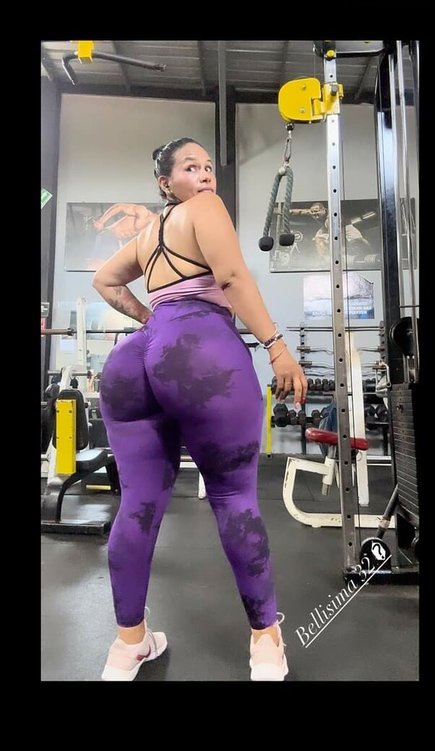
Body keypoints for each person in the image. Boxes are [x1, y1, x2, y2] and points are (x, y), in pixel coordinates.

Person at [92, 137, 308, 682]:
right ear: (166, 183)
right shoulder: (204, 209)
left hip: (133, 360)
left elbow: (104, 280)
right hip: (199, 351)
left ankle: (128, 646)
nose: (206, 175)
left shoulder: (146, 236)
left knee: (138, 503)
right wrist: (277, 347)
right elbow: (232, 278)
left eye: (209, 167)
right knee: (234, 497)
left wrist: (151, 322)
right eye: (192, 167)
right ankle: (266, 645)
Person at [291, 202, 372, 261]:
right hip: (327, 227)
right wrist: (289, 211)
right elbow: (301, 211)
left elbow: (336, 235)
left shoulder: (330, 218)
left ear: (323, 210)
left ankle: (370, 252)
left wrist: (340, 249)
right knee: (318, 238)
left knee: (359, 240)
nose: (314, 214)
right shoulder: (313, 212)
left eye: (317, 212)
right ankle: (323, 258)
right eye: (312, 212)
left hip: (344, 226)